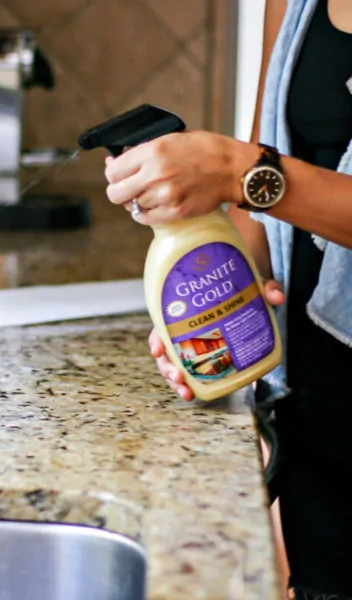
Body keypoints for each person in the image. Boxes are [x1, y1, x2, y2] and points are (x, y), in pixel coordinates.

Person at [103, 1, 352, 599]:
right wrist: (212, 297)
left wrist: (234, 169)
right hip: (317, 399)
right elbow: (265, 201)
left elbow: (256, 175)